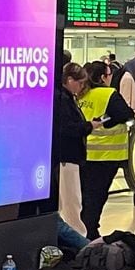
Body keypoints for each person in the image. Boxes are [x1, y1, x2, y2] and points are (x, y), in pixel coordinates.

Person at [76, 60, 133, 236]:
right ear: (102, 77)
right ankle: (90, 231)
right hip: (106, 155)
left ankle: (85, 228)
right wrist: (106, 121)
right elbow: (126, 114)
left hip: (83, 153)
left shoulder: (80, 95)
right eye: (109, 75)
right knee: (97, 196)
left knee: (85, 196)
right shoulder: (108, 94)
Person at [53, 62, 90, 240]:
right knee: (71, 202)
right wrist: (88, 126)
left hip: (66, 157)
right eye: (80, 82)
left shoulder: (65, 98)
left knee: (68, 202)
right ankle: (78, 241)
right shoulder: (63, 100)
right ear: (69, 80)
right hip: (66, 157)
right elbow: (68, 128)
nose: (82, 87)